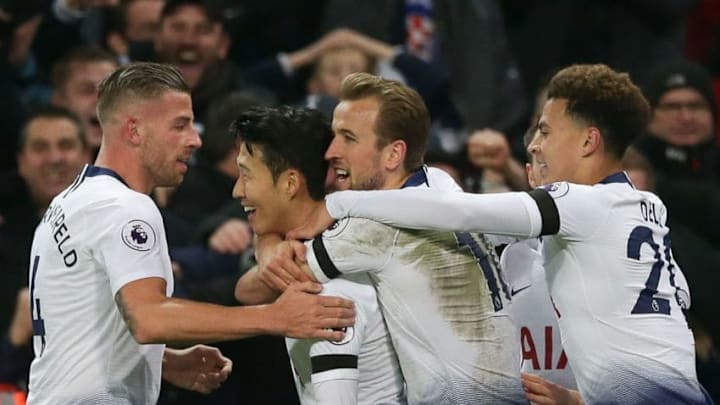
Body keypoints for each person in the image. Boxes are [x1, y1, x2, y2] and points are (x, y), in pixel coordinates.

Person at [289, 64, 712, 404]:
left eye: (546, 130)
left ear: (588, 141)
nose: (533, 144)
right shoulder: (648, 208)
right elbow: (670, 311)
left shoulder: (579, 203)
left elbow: (459, 211)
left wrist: (338, 204)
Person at [26, 62, 355, 405]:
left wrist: (160, 362)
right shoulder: (124, 209)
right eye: (179, 125)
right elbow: (148, 317)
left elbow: (80, 325)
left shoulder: (70, 201)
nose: (195, 139)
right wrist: (276, 317)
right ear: (135, 131)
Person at [255, 72, 525, 404]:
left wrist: (266, 238)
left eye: (348, 138)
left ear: (394, 155)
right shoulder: (439, 182)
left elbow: (257, 288)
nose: (331, 151)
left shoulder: (374, 228)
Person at [232, 105, 406, 404]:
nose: (237, 190)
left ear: (289, 184)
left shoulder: (325, 293)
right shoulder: (333, 241)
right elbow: (245, 292)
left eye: (246, 175)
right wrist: (269, 245)